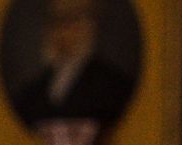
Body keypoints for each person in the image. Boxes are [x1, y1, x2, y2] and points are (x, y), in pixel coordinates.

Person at [10, 0, 139, 132]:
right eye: (54, 20)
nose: (59, 30)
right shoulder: (32, 92)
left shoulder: (113, 87)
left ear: (89, 25)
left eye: (69, 19)